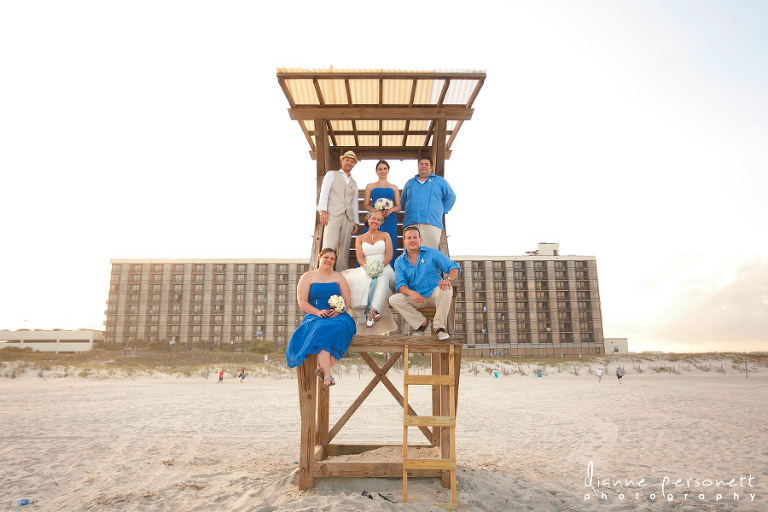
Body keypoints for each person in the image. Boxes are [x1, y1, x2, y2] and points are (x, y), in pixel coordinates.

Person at [285, 248, 357, 386]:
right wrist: (317, 312)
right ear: (320, 258)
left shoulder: (338, 277)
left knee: (342, 327)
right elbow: (302, 302)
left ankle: (323, 370)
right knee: (321, 327)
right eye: (326, 257)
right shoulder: (308, 276)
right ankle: (328, 375)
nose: (329, 261)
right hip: (315, 314)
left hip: (337, 315)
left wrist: (339, 310)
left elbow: (347, 299)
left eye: (332, 259)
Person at [389, 225, 460, 340]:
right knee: (394, 299)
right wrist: (412, 293)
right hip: (417, 298)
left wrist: (448, 279)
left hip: (435, 295)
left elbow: (454, 267)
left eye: (415, 237)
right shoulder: (399, 262)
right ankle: (422, 323)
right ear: (404, 241)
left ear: (420, 240)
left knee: (447, 288)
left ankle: (439, 327)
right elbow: (400, 285)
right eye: (409, 238)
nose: (412, 240)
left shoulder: (433, 253)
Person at [341, 211, 397, 334]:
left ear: (381, 222)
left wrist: (379, 267)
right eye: (373, 218)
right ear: (368, 219)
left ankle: (372, 312)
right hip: (366, 268)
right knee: (368, 279)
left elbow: (389, 255)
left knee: (381, 277)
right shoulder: (360, 238)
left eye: (378, 219)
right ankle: (371, 314)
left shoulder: (385, 235)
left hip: (384, 267)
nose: (375, 221)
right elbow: (360, 258)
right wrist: (368, 269)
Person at [400, 156, 456, 250]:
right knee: (410, 255)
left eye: (426, 164)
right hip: (411, 224)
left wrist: (442, 211)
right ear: (418, 167)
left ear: (431, 167)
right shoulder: (410, 183)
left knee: (430, 255)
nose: (423, 166)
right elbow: (403, 201)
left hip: (432, 224)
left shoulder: (439, 181)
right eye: (421, 164)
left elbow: (451, 196)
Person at [317, 151, 359, 271]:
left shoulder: (354, 183)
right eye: (347, 160)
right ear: (342, 161)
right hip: (333, 215)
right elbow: (324, 192)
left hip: (348, 218)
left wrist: (355, 221)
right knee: (329, 245)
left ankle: (341, 274)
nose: (349, 163)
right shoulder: (331, 175)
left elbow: (354, 203)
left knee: (344, 248)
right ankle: (324, 272)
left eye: (352, 162)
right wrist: (323, 211)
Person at [361, 160, 401, 266]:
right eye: (380, 169)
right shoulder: (370, 186)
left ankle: (389, 269)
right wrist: (376, 211)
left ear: (388, 170)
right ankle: (370, 267)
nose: (382, 171)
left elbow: (399, 206)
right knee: (371, 240)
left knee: (390, 242)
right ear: (376, 171)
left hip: (390, 219)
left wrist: (391, 210)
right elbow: (365, 205)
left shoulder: (394, 187)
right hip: (375, 219)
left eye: (385, 169)